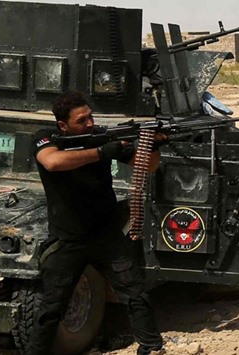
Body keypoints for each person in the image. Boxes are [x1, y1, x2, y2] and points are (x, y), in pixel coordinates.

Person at [31, 91, 165, 355]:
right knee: (51, 308)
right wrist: (101, 153)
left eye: (90, 117)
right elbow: (53, 162)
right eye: (82, 121)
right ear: (63, 125)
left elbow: (147, 165)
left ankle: (151, 347)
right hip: (67, 239)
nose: (89, 124)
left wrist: (154, 144)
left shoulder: (102, 137)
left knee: (135, 294)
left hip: (106, 236)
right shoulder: (45, 138)